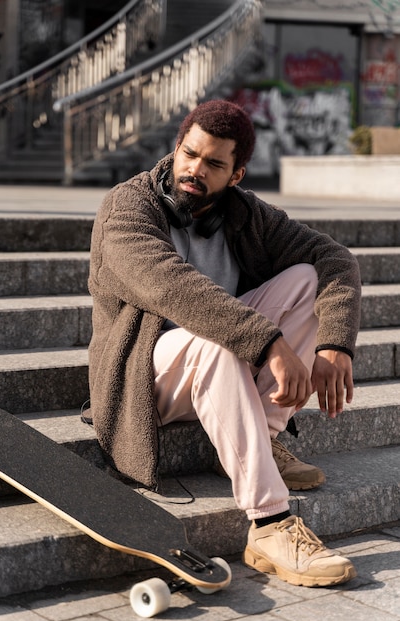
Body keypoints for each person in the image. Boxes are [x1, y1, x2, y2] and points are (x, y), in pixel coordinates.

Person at [88, 99, 362, 588]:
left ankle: (261, 433)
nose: (195, 170)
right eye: (189, 154)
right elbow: (173, 287)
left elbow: (334, 258)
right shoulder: (127, 208)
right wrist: (269, 343)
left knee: (305, 277)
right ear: (176, 148)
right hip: (145, 374)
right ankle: (270, 523)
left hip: (223, 362)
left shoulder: (246, 214)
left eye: (214, 164)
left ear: (236, 175)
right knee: (214, 342)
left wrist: (334, 344)